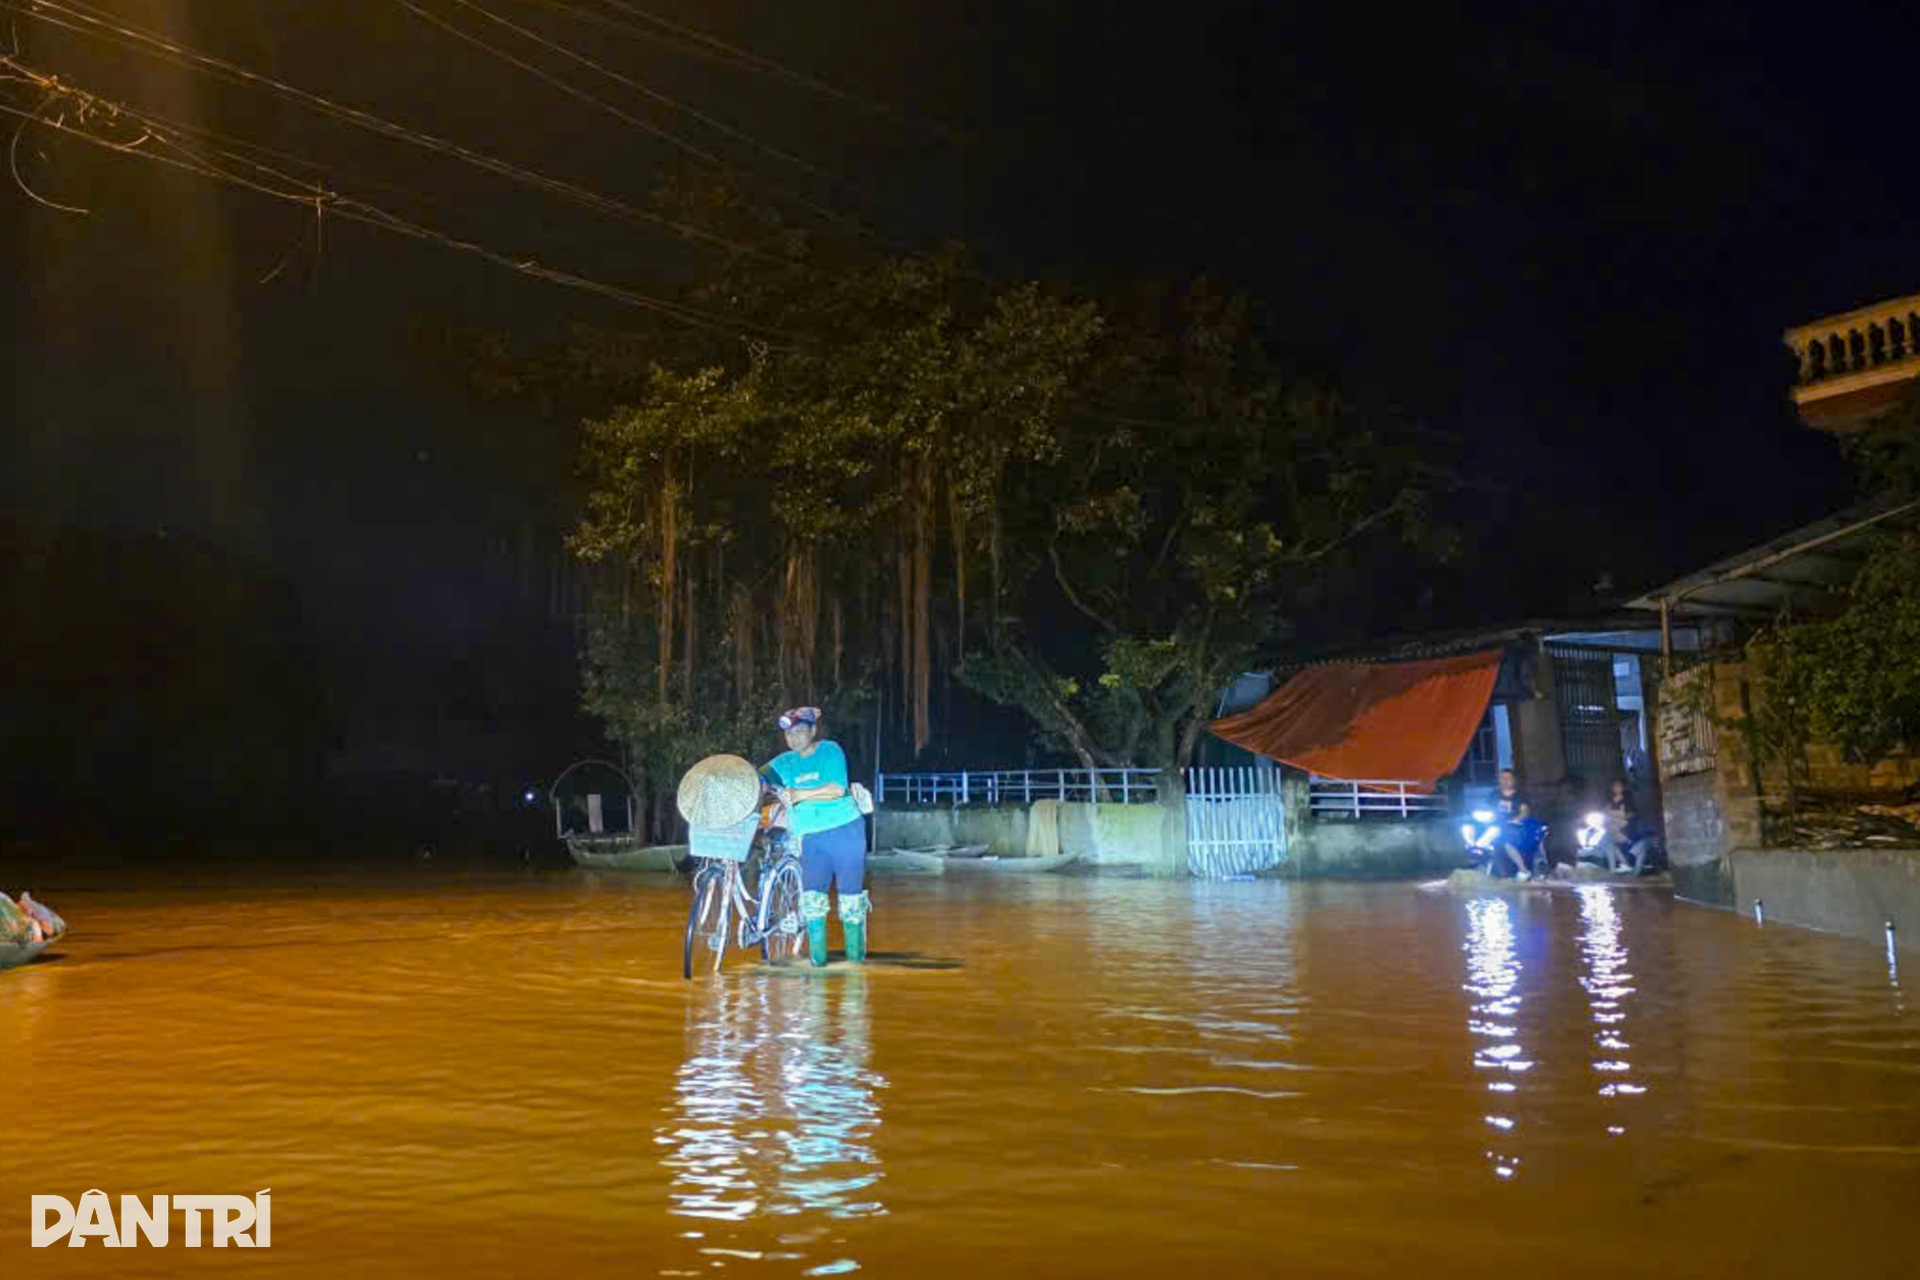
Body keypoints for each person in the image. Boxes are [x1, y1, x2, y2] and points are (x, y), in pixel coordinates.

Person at [761, 706, 869, 966]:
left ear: (813, 730)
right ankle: (818, 969)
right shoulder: (784, 762)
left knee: (851, 903)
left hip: (846, 834)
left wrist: (798, 795)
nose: (794, 738)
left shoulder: (829, 751)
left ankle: (855, 971)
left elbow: (836, 788)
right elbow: (758, 778)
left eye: (799, 731)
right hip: (812, 840)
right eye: (789, 734)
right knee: (812, 903)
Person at [1491, 768, 1543, 880]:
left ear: (1514, 780)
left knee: (1507, 842)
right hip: (1495, 825)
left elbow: (1524, 811)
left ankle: (1523, 869)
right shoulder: (1494, 795)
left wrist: (1515, 820)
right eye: (1502, 778)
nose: (1505, 780)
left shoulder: (1520, 796)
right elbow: (1486, 808)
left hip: (1515, 827)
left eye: (1508, 778)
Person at [1603, 778, 1656, 875]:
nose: (1616, 787)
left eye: (1618, 785)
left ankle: (1625, 865)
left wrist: (1622, 817)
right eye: (1614, 786)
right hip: (1614, 826)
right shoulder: (1609, 799)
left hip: (1625, 827)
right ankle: (1622, 866)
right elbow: (1605, 812)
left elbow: (1632, 813)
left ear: (1622, 788)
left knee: (1610, 842)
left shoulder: (1627, 798)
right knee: (1609, 843)